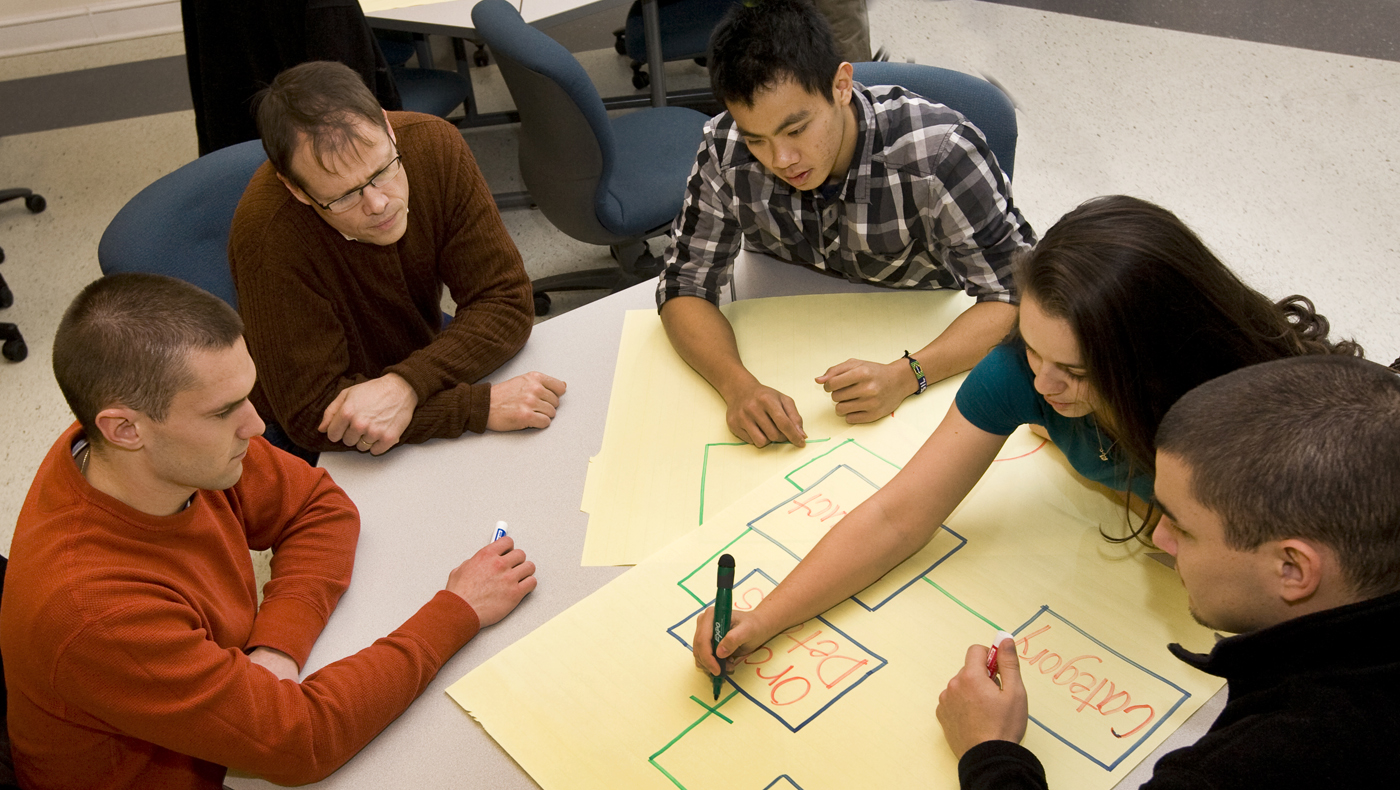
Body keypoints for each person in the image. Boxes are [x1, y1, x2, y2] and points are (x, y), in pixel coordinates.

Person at [690, 194, 1362, 678]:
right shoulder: (1024, 369)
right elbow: (898, 516)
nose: (1042, 386)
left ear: (1156, 360)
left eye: (1074, 371)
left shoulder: (1251, 418)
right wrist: (766, 615)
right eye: (1032, 350)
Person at [0, 274, 538, 789]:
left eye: (247, 395)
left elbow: (318, 506)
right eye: (223, 411)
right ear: (124, 428)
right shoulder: (94, 610)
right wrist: (457, 609)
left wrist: (277, 646)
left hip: (222, 731)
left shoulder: (147, 453)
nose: (256, 426)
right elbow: (302, 742)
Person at [936, 354, 1400, 788]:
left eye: (1183, 527)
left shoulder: (1285, 751)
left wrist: (989, 751)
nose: (1159, 538)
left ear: (1292, 568)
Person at [658, 0, 1035, 449]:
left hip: (926, 326)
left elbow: (1016, 294)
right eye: (757, 139)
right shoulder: (726, 148)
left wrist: (908, 374)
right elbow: (684, 286)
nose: (781, 160)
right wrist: (736, 384)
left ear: (841, 85)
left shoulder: (940, 153)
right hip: (786, 311)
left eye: (796, 130)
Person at [229, 60, 565, 462]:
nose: (379, 204)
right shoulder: (266, 237)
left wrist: (405, 386)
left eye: (384, 170)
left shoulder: (434, 145)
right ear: (296, 189)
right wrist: (477, 407)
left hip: (415, 356)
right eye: (343, 196)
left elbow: (506, 301)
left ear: (389, 128)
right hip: (322, 431)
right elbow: (310, 415)